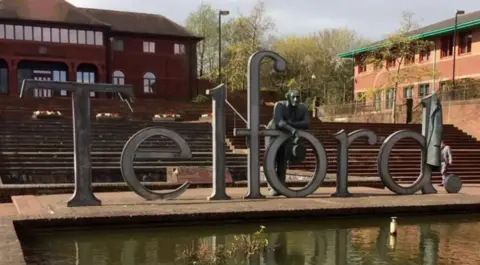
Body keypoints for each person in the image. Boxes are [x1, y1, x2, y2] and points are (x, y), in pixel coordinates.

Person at [264, 90, 309, 196]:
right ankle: (272, 186)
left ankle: (281, 185)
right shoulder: (279, 105)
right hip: (273, 133)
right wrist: (293, 129)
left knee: (282, 160)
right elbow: (279, 122)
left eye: (298, 97)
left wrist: (289, 124)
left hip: (286, 134)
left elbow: (306, 123)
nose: (296, 100)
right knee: (271, 159)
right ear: (288, 97)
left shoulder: (303, 108)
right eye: (293, 97)